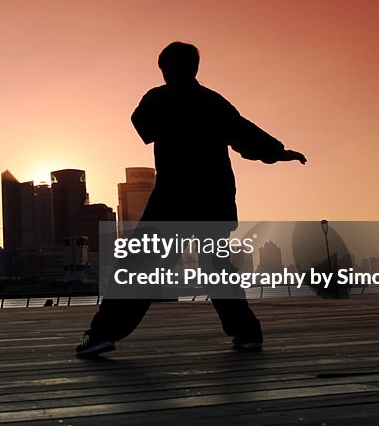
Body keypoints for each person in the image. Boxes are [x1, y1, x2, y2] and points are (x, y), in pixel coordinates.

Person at [76, 41, 306, 358]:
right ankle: (248, 332)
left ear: (166, 69)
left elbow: (142, 124)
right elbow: (245, 134)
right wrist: (278, 152)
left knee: (138, 267)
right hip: (214, 199)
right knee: (215, 266)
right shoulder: (213, 103)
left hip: (174, 200)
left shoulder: (157, 99)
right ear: (195, 68)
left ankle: (102, 333)